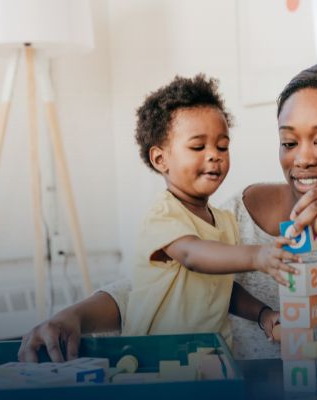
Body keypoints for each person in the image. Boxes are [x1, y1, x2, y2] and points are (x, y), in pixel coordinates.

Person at [18, 62, 317, 368]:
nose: (303, 159)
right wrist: (71, 315)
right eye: (289, 142)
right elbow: (152, 287)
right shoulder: (230, 215)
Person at [123, 74, 300, 349]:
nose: (214, 155)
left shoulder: (225, 222)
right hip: (154, 357)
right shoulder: (163, 214)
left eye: (222, 146)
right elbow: (192, 255)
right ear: (160, 159)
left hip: (211, 355)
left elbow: (220, 289)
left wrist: (263, 314)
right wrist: (257, 255)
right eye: (197, 146)